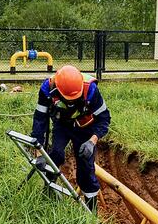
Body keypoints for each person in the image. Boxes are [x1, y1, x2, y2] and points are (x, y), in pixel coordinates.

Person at [31, 65, 111, 211]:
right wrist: (39, 153)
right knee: (55, 154)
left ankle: (91, 210)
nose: (71, 103)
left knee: (86, 168)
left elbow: (104, 118)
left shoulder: (91, 90)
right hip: (62, 124)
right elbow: (40, 120)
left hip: (85, 128)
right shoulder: (47, 89)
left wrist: (92, 142)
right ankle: (49, 192)